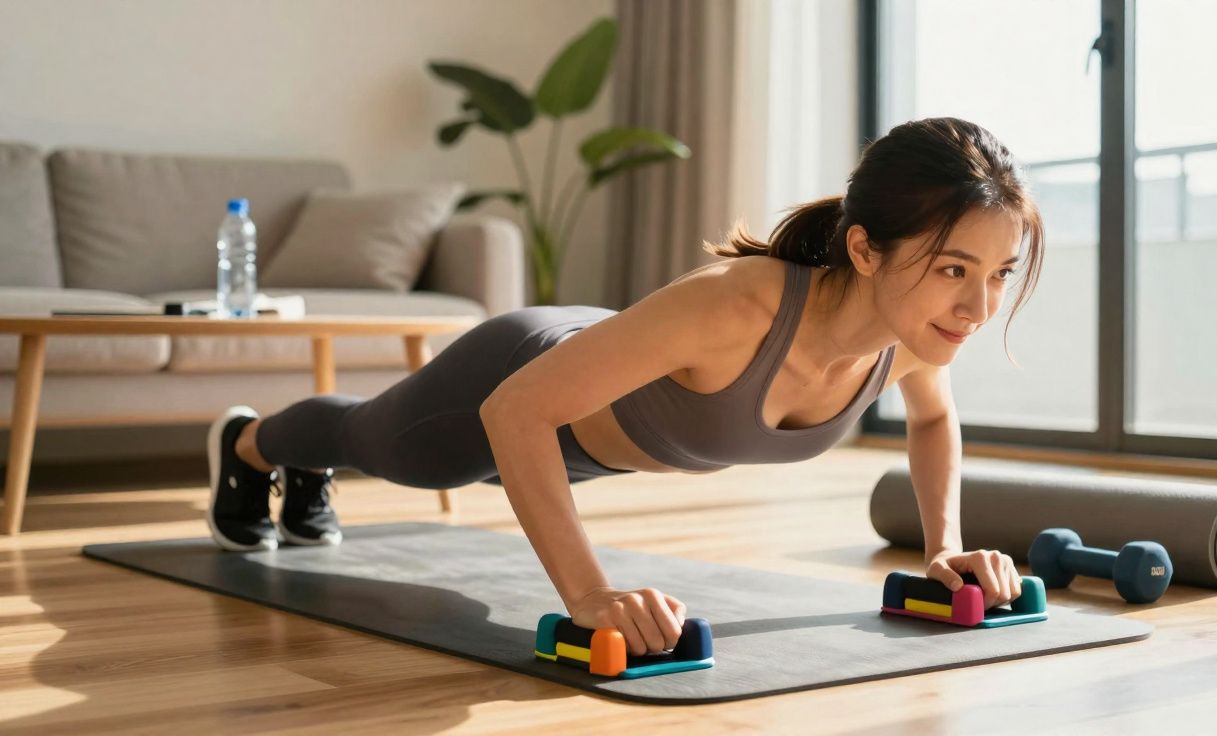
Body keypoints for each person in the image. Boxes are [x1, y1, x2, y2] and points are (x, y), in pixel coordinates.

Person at [205, 116, 1046, 658]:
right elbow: (518, 409)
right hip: (517, 377)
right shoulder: (736, 310)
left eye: (1000, 273)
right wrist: (589, 596)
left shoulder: (912, 335)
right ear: (865, 250)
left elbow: (933, 423)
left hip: (590, 431)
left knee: (386, 447)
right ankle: (249, 443)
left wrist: (942, 549)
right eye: (953, 270)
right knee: (378, 446)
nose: (978, 306)